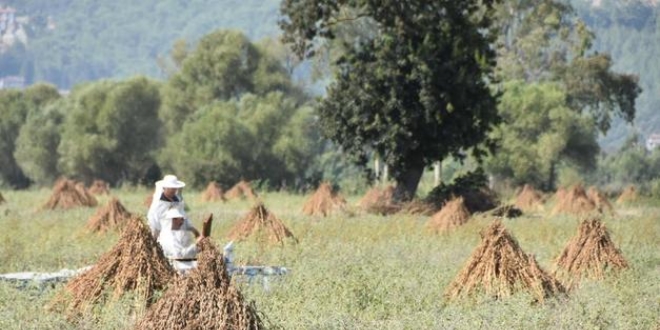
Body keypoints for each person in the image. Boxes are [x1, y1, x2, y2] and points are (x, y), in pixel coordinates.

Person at [147, 174, 201, 239]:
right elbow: (154, 222)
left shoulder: (177, 200)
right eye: (170, 188)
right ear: (164, 188)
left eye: (174, 188)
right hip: (160, 235)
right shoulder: (158, 203)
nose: (173, 190)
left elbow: (182, 216)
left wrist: (193, 230)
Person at [158, 208, 203, 273]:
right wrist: (196, 245)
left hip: (174, 264)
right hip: (174, 268)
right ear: (174, 219)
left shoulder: (168, 234)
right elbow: (180, 255)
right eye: (181, 219)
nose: (182, 222)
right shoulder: (169, 237)